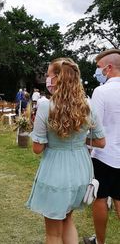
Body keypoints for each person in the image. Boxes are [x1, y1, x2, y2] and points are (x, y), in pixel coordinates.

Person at [26, 58, 105, 244]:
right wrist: (77, 140)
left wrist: (50, 138)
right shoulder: (87, 105)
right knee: (68, 219)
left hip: (56, 171)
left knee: (53, 233)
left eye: (48, 75)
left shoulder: (46, 106)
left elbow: (37, 148)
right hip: (81, 170)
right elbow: (100, 141)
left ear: (57, 79)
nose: (47, 79)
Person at [83, 49, 120, 244]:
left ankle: (100, 241)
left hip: (104, 154)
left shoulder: (101, 91)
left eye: (99, 67)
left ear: (109, 68)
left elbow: (92, 125)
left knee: (100, 198)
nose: (97, 71)